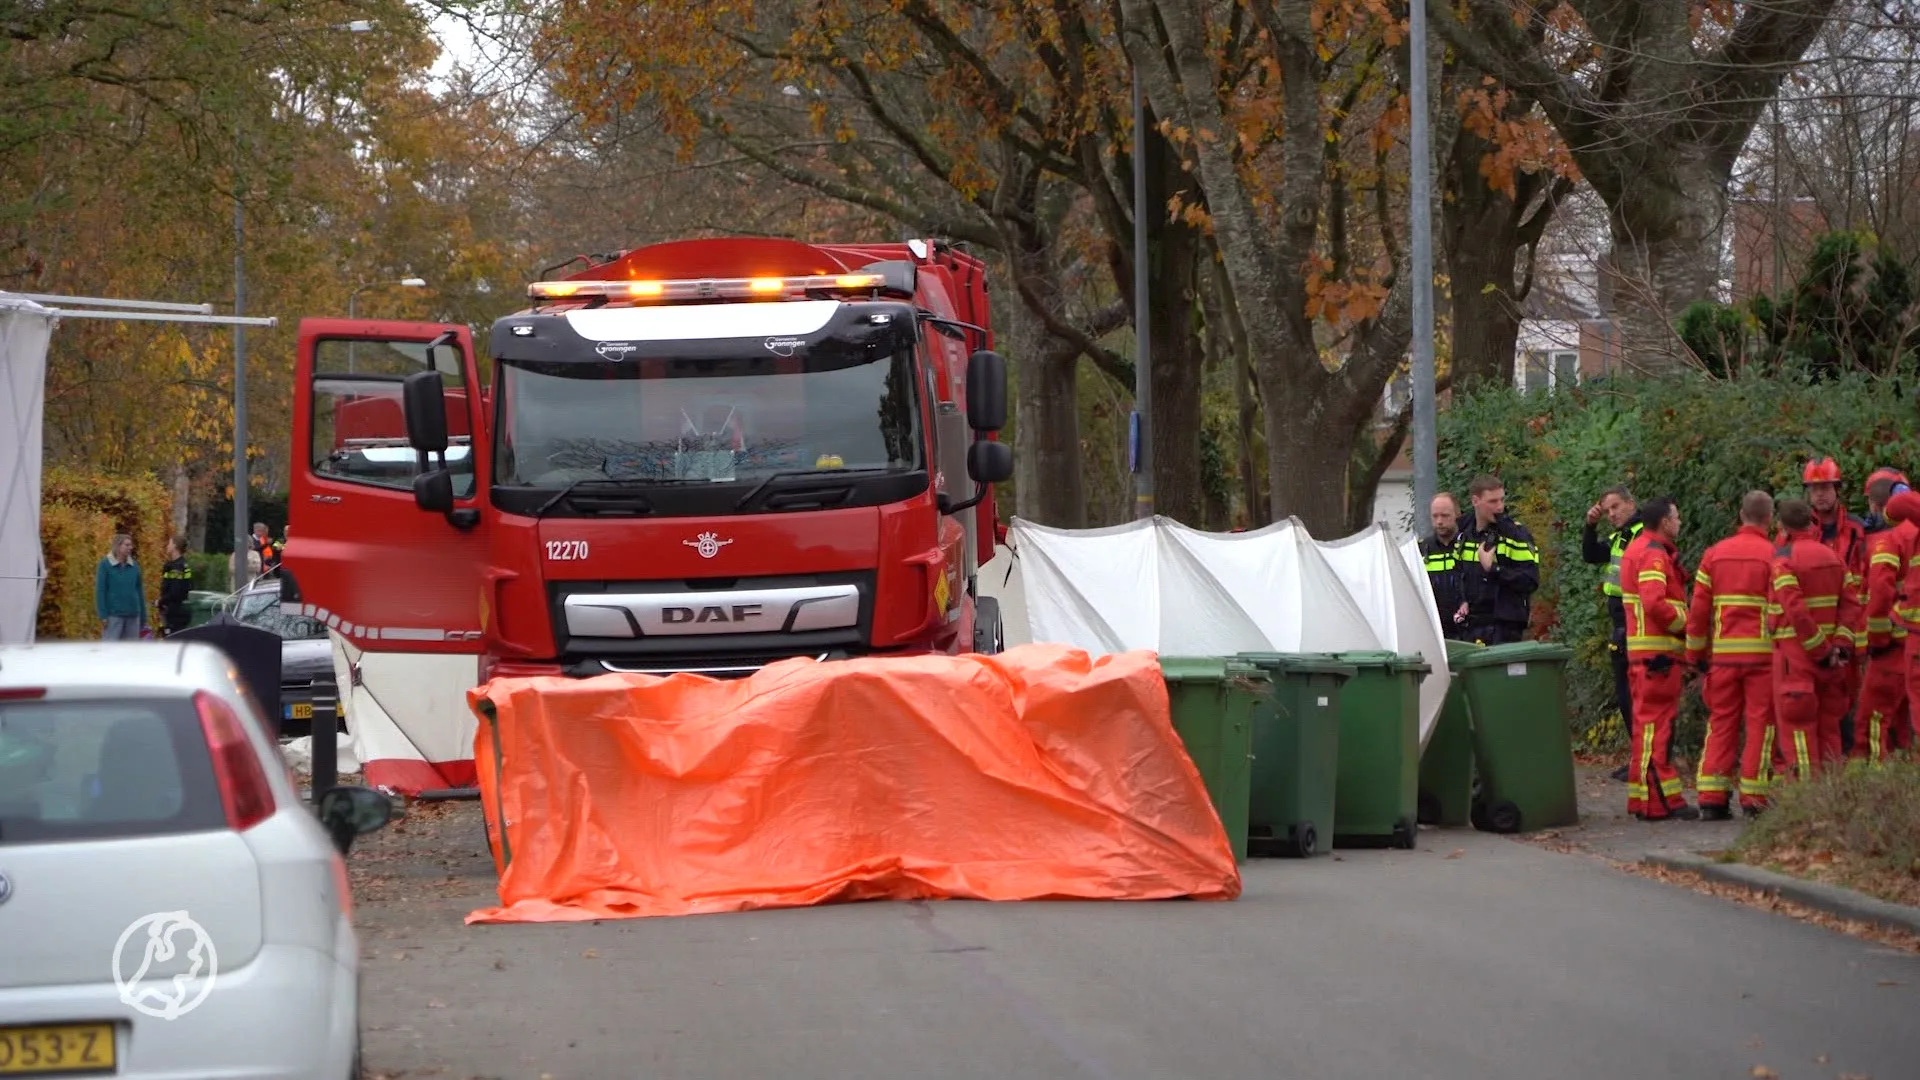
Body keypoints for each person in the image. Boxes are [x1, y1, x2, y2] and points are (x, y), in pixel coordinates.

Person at [1683, 491, 1776, 818]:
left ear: (1740, 513)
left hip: (1722, 658)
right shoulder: (1774, 555)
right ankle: (1753, 799)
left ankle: (1711, 798)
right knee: (1760, 725)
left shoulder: (1715, 555)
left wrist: (1695, 656)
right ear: (1770, 518)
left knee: (1721, 723)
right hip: (1763, 659)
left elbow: (1698, 612)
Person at [1767, 498, 1860, 782]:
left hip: (1797, 661)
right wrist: (1840, 647)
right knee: (1830, 731)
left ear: (1781, 526)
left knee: (1799, 735)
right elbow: (1851, 605)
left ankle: (1805, 800)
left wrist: (1819, 649)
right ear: (1811, 521)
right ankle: (1832, 797)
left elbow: (1795, 610)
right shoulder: (1833, 557)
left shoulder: (1784, 562)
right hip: (1832, 664)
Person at [1620, 497, 1699, 820]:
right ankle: (1662, 802)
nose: (1679, 523)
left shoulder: (1637, 550)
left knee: (1646, 729)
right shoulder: (1653, 555)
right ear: (1665, 522)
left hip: (1645, 655)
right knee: (1658, 730)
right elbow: (1654, 603)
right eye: (1676, 517)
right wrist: (1688, 626)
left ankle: (1644, 800)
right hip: (1658, 656)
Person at [1800, 456, 1868, 756]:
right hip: (1810, 633)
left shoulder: (1857, 529)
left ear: (1837, 489)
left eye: (1825, 487)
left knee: (1850, 701)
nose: (1820, 494)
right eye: (1814, 489)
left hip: (1850, 629)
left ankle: (1847, 767)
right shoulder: (1797, 530)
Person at [1582, 486, 1642, 781]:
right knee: (1626, 694)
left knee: (1635, 695)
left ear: (1631, 504)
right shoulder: (1622, 537)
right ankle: (1639, 757)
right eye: (1606, 511)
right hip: (1621, 623)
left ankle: (1645, 760)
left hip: (1635, 623)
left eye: (1616, 507)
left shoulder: (1641, 535)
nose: (1612, 514)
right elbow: (1591, 555)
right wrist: (1590, 527)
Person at [1855, 470, 1914, 760]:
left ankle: (1870, 776)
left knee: (1874, 715)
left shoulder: (1889, 540)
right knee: (1907, 719)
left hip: (1893, 643)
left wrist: (1875, 638)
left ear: (1877, 506)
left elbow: (1879, 591)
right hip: (1911, 639)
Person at [1452, 475, 1541, 645]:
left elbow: (1530, 581)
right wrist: (1462, 600)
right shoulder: (1464, 535)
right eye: (1492, 501)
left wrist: (1493, 569)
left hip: (1504, 627)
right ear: (1475, 501)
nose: (1500, 507)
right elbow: (1458, 573)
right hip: (1471, 626)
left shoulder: (1516, 535)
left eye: (1501, 500)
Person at [1421, 493, 1469, 639]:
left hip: (1467, 627)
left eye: (1445, 516)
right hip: (1435, 630)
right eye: (1435, 516)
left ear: (1457, 515)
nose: (1439, 521)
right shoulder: (1422, 549)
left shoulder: (1469, 545)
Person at [94, 533, 146, 641]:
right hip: (113, 615)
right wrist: (103, 615)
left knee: (130, 651)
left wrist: (143, 615)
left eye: (131, 545)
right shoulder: (105, 565)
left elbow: (139, 591)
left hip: (133, 614)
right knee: (111, 651)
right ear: (118, 546)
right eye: (127, 545)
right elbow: (100, 590)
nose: (130, 548)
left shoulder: (134, 566)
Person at [157, 536, 194, 638]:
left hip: (174, 611)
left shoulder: (176, 567)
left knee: (171, 639)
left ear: (175, 546)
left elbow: (175, 591)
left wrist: (160, 601)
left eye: (169, 543)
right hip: (179, 610)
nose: (167, 546)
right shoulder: (183, 565)